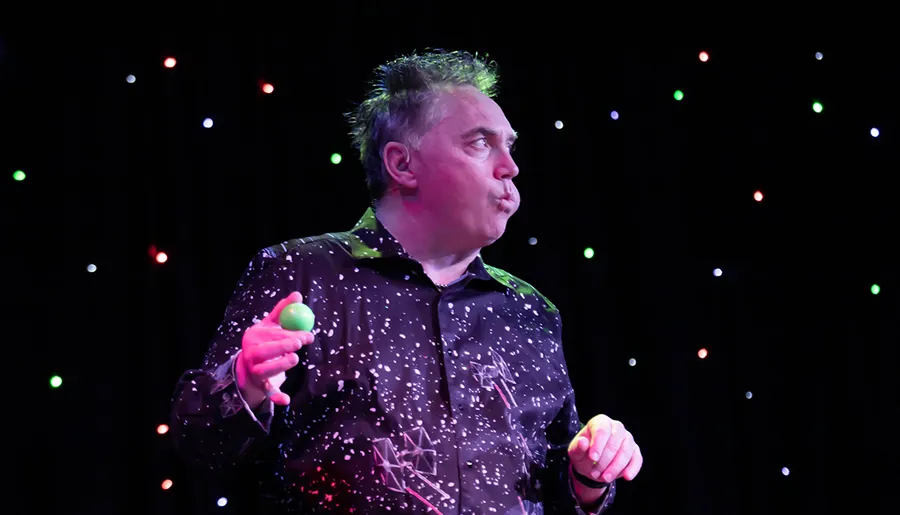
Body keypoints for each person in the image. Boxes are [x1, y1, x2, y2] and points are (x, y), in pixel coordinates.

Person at [170, 49, 643, 515]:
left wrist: (587, 476)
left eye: (509, 145)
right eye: (480, 143)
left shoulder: (530, 311)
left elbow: (555, 489)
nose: (510, 166)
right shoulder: (300, 272)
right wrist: (244, 384)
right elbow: (202, 450)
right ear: (403, 164)